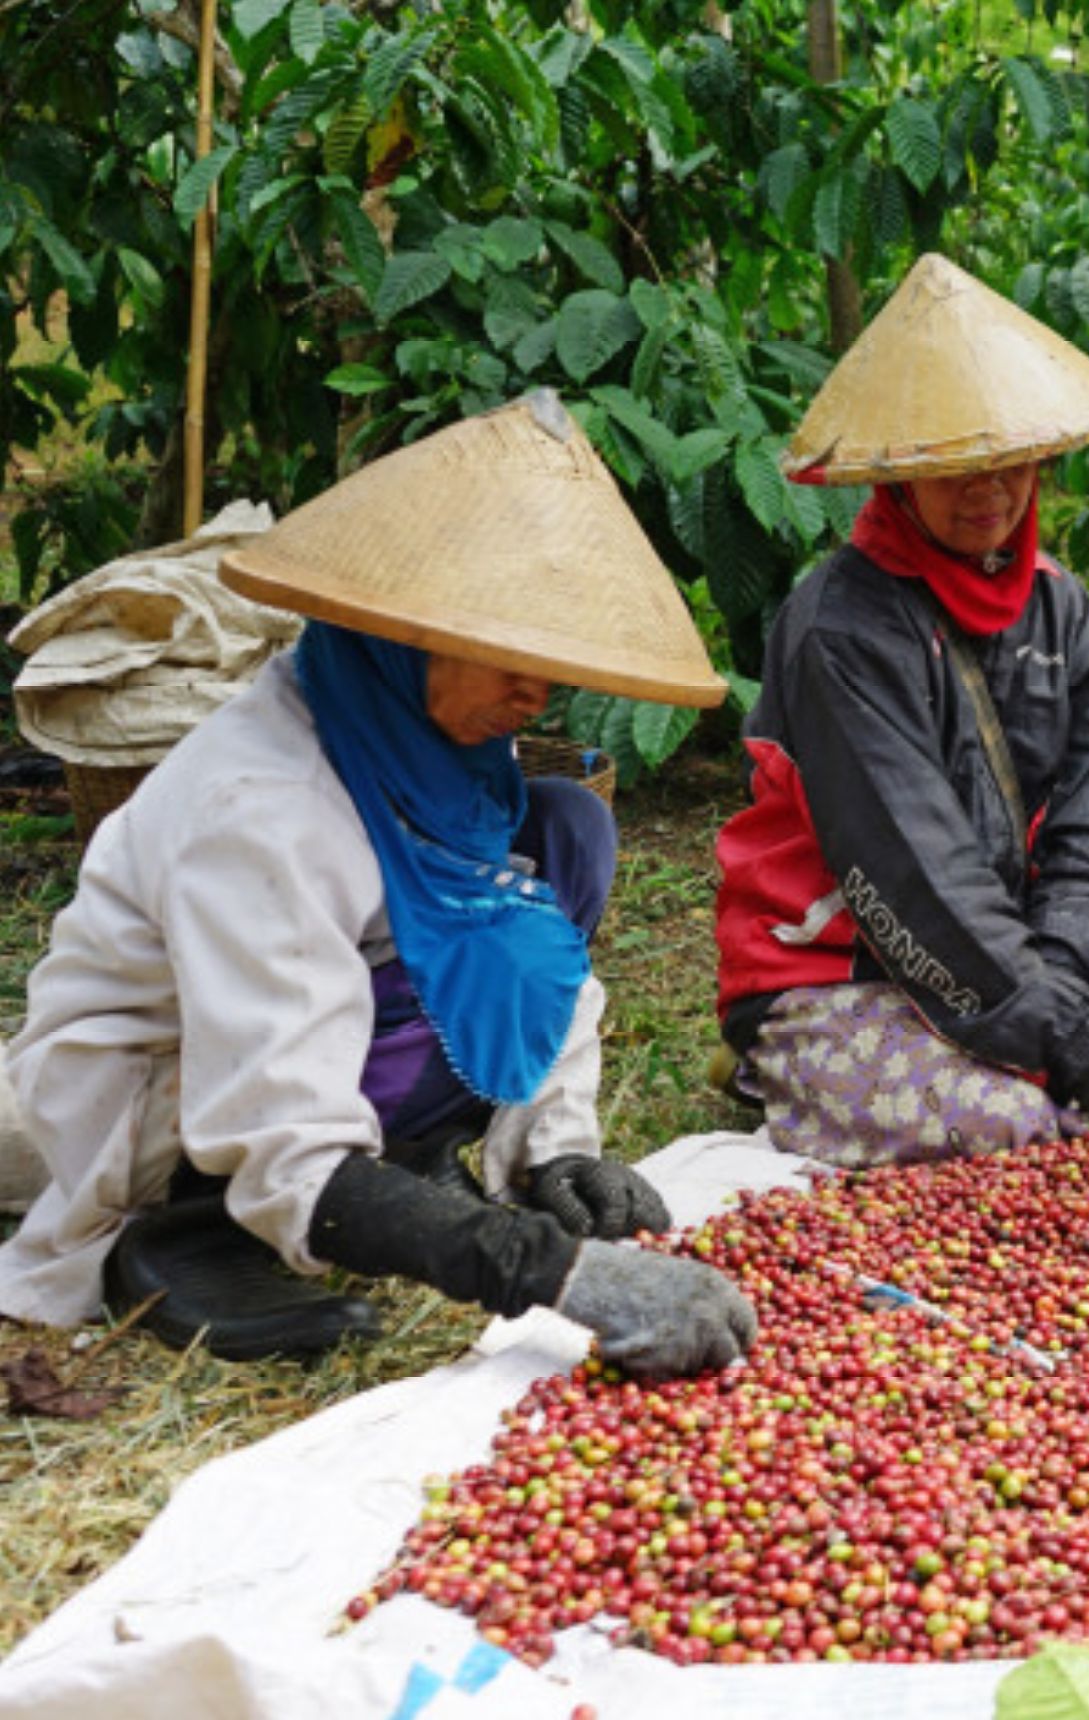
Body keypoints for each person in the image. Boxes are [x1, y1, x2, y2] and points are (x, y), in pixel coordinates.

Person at [0, 394, 757, 1377]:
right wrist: (547, 1269)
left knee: (568, 827)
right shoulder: (259, 807)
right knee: (270, 1159)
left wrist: (558, 1150)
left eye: (551, 667)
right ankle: (188, 1231)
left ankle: (395, 1168)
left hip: (335, 1033)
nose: (535, 694)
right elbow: (281, 1119)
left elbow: (512, 939)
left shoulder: (435, 744)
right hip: (172, 1097)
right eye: (508, 660)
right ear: (404, 633)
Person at [715, 253, 1089, 1164]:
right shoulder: (840, 630)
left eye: (1010, 462)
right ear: (897, 476)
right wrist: (1070, 1039)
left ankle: (1034, 1021)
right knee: (1014, 1132)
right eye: (957, 467)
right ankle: (773, 1063)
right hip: (841, 975)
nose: (991, 491)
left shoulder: (1060, 604)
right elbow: (910, 865)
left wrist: (1059, 981)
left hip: (1010, 960)